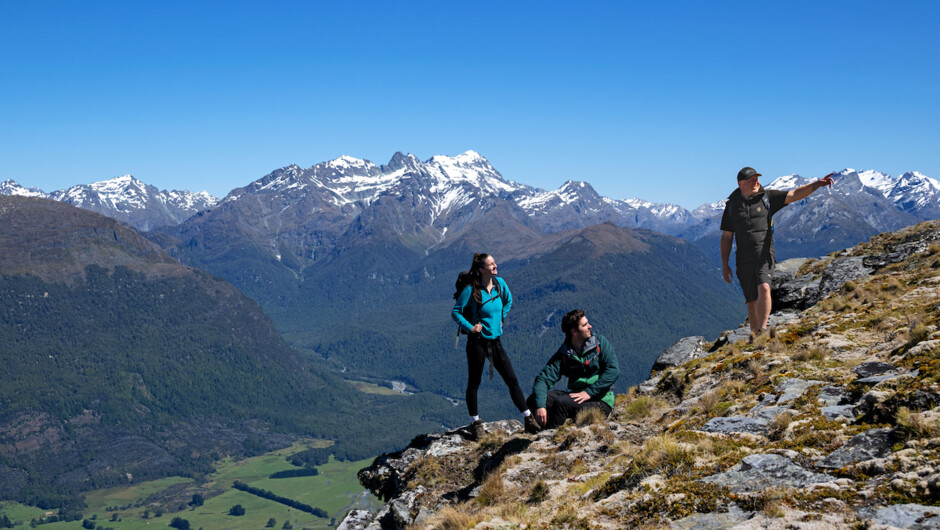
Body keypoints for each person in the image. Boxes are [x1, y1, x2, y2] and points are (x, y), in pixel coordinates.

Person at [720, 167, 835, 337]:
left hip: (764, 253)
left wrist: (817, 184)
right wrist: (725, 264)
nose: (756, 182)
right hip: (743, 257)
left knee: (765, 288)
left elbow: (794, 194)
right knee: (751, 302)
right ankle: (755, 337)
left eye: (757, 178)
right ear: (740, 184)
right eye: (751, 180)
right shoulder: (732, 206)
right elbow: (727, 237)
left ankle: (762, 330)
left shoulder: (767, 198)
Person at [452, 253, 533, 440]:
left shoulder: (499, 284)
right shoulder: (471, 290)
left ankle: (529, 419)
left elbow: (508, 301)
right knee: (474, 383)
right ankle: (475, 423)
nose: (495, 266)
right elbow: (456, 312)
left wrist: (501, 318)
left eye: (494, 263)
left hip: (495, 341)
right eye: (491, 264)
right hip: (477, 342)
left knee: (512, 380)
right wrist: (471, 327)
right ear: (481, 269)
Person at [526, 309, 620, 433]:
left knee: (562, 403)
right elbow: (543, 379)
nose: (590, 327)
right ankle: (542, 432)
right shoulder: (566, 353)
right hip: (577, 397)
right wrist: (541, 406)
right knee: (534, 400)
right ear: (574, 331)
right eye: (585, 325)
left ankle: (549, 438)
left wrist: (589, 392)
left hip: (600, 401)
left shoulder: (600, 343)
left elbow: (613, 370)